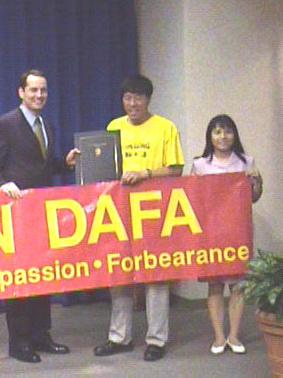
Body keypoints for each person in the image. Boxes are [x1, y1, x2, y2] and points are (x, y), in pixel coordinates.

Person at [0, 69, 79, 364]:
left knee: (42, 275)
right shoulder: (6, 124)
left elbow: (41, 167)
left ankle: (41, 335)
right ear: (21, 92)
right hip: (16, 214)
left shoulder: (46, 124)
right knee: (21, 278)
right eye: (33, 90)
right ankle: (19, 342)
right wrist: (2, 185)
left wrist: (64, 163)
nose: (39, 95)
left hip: (42, 213)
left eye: (43, 90)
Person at [93, 74, 184, 362]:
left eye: (138, 98)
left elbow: (176, 169)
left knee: (155, 275)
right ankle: (119, 337)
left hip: (154, 212)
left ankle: (156, 339)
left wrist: (145, 173)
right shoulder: (114, 127)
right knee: (120, 274)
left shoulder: (165, 128)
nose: (132, 103)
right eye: (127, 98)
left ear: (148, 99)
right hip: (119, 212)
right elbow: (104, 169)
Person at [191, 114, 262, 355]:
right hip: (211, 233)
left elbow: (253, 197)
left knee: (238, 286)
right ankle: (219, 337)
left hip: (237, 232)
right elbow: (192, 200)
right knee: (215, 286)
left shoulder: (246, 162)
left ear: (235, 135)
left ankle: (234, 335)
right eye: (218, 132)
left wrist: (257, 182)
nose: (223, 137)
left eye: (228, 131)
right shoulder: (200, 164)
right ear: (210, 136)